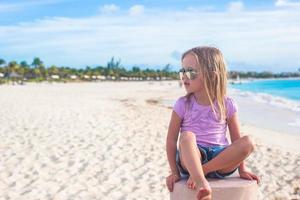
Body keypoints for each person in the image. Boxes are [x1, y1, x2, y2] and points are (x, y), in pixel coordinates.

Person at [166, 46, 260, 200]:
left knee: (248, 142)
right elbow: (171, 140)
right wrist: (174, 172)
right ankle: (202, 182)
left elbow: (236, 140)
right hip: (192, 157)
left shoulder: (227, 104)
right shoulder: (182, 104)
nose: (184, 76)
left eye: (190, 72)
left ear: (212, 76)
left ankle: (202, 171)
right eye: (182, 71)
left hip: (221, 160)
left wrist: (242, 169)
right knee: (187, 137)